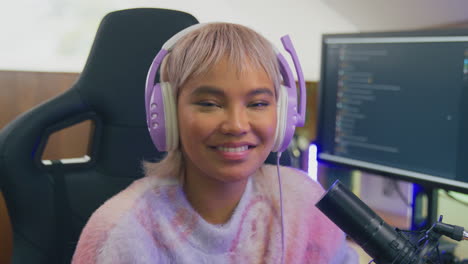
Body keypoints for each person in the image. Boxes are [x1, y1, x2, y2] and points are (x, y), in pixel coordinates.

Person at [72, 22, 357, 263]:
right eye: (209, 104)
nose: (236, 125)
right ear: (168, 115)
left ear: (284, 115)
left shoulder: (303, 203)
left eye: (258, 103)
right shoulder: (123, 232)